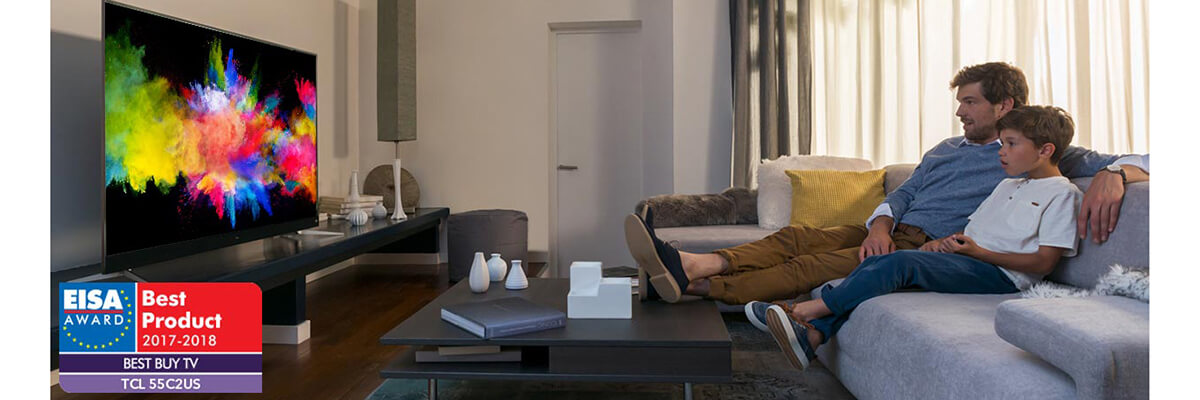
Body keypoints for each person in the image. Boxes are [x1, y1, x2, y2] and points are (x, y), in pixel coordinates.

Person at [624, 62, 1149, 305]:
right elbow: (903, 192)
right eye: (960, 102)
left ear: (1004, 105)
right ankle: (696, 264)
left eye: (970, 102)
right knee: (796, 237)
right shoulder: (945, 148)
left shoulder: (1030, 152)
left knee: (811, 268)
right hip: (890, 228)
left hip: (926, 244)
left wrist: (1114, 172)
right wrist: (879, 223)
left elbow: (1148, 157)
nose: (960, 112)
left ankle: (696, 286)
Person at [754, 105, 1085, 370]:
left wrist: (978, 253)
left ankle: (804, 312)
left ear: (1045, 150)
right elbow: (973, 231)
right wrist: (943, 245)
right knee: (878, 268)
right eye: (1003, 143)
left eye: (1011, 144)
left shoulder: (1062, 194)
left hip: (1002, 276)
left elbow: (1044, 262)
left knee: (898, 263)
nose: (1002, 152)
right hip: (969, 260)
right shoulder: (1008, 184)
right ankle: (813, 337)